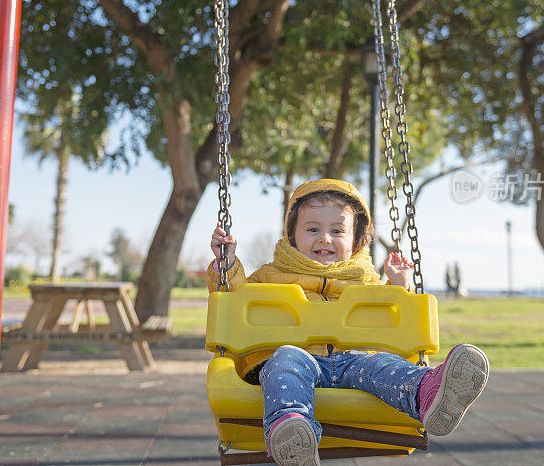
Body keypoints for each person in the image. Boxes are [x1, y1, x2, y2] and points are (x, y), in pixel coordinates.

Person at [207, 179, 489, 466]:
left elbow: (391, 319)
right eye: (313, 229)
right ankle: (291, 429)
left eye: (337, 231)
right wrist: (227, 268)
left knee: (381, 364)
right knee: (285, 361)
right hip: (296, 359)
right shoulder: (269, 274)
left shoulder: (367, 280)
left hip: (353, 363)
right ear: (292, 234)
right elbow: (235, 298)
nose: (325, 238)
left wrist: (400, 287)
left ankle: (427, 394)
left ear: (356, 240)